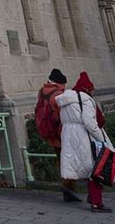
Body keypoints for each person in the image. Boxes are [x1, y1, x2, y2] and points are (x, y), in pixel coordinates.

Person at [57, 71, 111, 213]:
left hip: (69, 135)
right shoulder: (85, 99)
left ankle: (91, 197)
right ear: (87, 89)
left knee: (86, 168)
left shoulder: (64, 99)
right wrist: (102, 138)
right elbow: (90, 123)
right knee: (96, 168)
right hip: (84, 136)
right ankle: (96, 203)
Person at [35, 68, 77, 202]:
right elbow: (65, 115)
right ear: (60, 83)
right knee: (69, 160)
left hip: (50, 133)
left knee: (60, 159)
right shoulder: (58, 95)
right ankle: (68, 187)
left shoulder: (42, 92)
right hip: (61, 133)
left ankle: (67, 186)